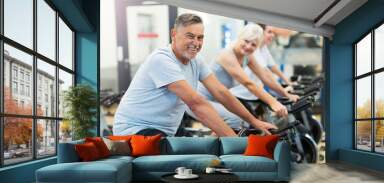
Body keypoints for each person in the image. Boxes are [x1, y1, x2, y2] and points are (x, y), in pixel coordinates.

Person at [113, 13, 276, 137]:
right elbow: (196, 104)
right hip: (136, 130)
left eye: (200, 38)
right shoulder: (162, 60)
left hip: (167, 130)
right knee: (195, 161)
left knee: (205, 150)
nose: (196, 43)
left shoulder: (196, 61)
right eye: (190, 36)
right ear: (174, 34)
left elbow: (221, 92)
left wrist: (254, 121)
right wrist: (235, 141)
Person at [193, 23, 290, 129]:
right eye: (246, 41)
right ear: (239, 37)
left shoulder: (247, 56)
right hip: (200, 99)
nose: (248, 46)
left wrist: (287, 95)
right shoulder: (227, 55)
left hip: (218, 100)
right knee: (235, 119)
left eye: (253, 45)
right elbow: (248, 84)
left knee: (241, 122)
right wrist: (273, 102)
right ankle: (213, 145)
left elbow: (265, 76)